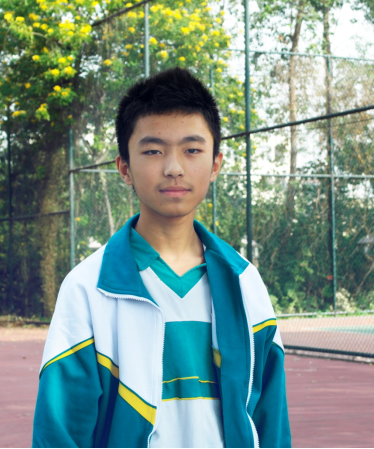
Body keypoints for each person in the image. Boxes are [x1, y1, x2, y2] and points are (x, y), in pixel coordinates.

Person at [32, 67, 291, 448]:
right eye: (153, 151)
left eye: (192, 150)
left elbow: (271, 420)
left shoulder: (244, 283)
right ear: (124, 168)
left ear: (215, 165)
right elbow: (60, 429)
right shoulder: (88, 288)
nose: (174, 168)